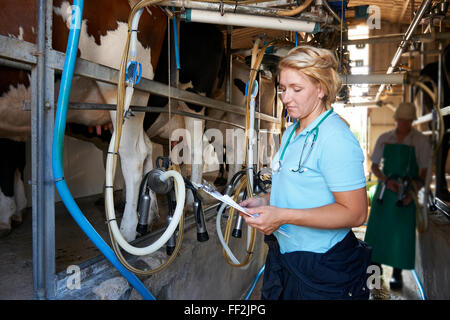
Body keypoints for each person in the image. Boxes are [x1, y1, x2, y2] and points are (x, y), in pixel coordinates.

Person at [239, 45, 371, 300]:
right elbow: (302, 186)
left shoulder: (335, 138)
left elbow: (356, 213)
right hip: (288, 257)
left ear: (321, 89)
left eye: (296, 89)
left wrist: (282, 215)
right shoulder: (292, 132)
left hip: (323, 265)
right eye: (283, 89)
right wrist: (266, 201)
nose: (286, 98)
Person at [364, 102, 431, 290]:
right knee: (376, 235)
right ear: (396, 120)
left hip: (406, 194)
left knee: (401, 237)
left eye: (407, 121)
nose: (403, 124)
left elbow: (424, 172)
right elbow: (375, 165)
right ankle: (373, 275)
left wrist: (412, 192)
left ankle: (397, 274)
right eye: (401, 120)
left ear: (411, 121)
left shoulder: (420, 141)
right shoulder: (385, 138)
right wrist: (386, 180)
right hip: (385, 194)